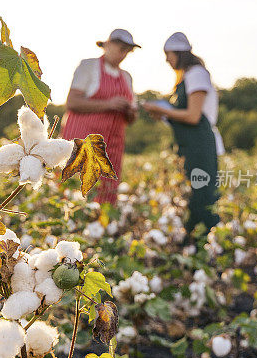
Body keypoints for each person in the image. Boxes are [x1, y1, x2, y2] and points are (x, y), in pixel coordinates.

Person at [142, 32, 224, 236]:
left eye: (169, 54)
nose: (167, 59)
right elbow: (182, 115)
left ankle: (205, 240)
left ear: (180, 53)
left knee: (202, 194)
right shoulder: (186, 77)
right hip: (190, 144)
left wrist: (163, 110)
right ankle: (196, 241)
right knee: (192, 191)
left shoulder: (196, 73)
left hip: (200, 144)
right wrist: (163, 115)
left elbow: (193, 116)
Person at [62, 29, 139, 204]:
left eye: (127, 50)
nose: (123, 54)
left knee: (107, 195)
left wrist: (130, 112)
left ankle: (104, 229)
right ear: (107, 45)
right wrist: (108, 104)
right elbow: (72, 102)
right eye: (121, 48)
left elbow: (131, 120)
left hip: (113, 147)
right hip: (84, 141)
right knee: (77, 192)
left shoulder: (126, 77)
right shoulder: (88, 66)